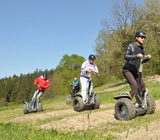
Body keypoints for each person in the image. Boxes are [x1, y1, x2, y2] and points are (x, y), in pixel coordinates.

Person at [123, 31, 151, 108]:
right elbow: (125, 56)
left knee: (142, 86)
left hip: (135, 71)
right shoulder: (131, 46)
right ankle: (126, 105)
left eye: (144, 38)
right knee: (135, 86)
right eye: (142, 37)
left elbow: (142, 61)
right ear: (136, 38)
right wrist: (136, 56)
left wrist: (147, 58)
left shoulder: (142, 49)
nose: (143, 39)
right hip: (127, 70)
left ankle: (137, 102)